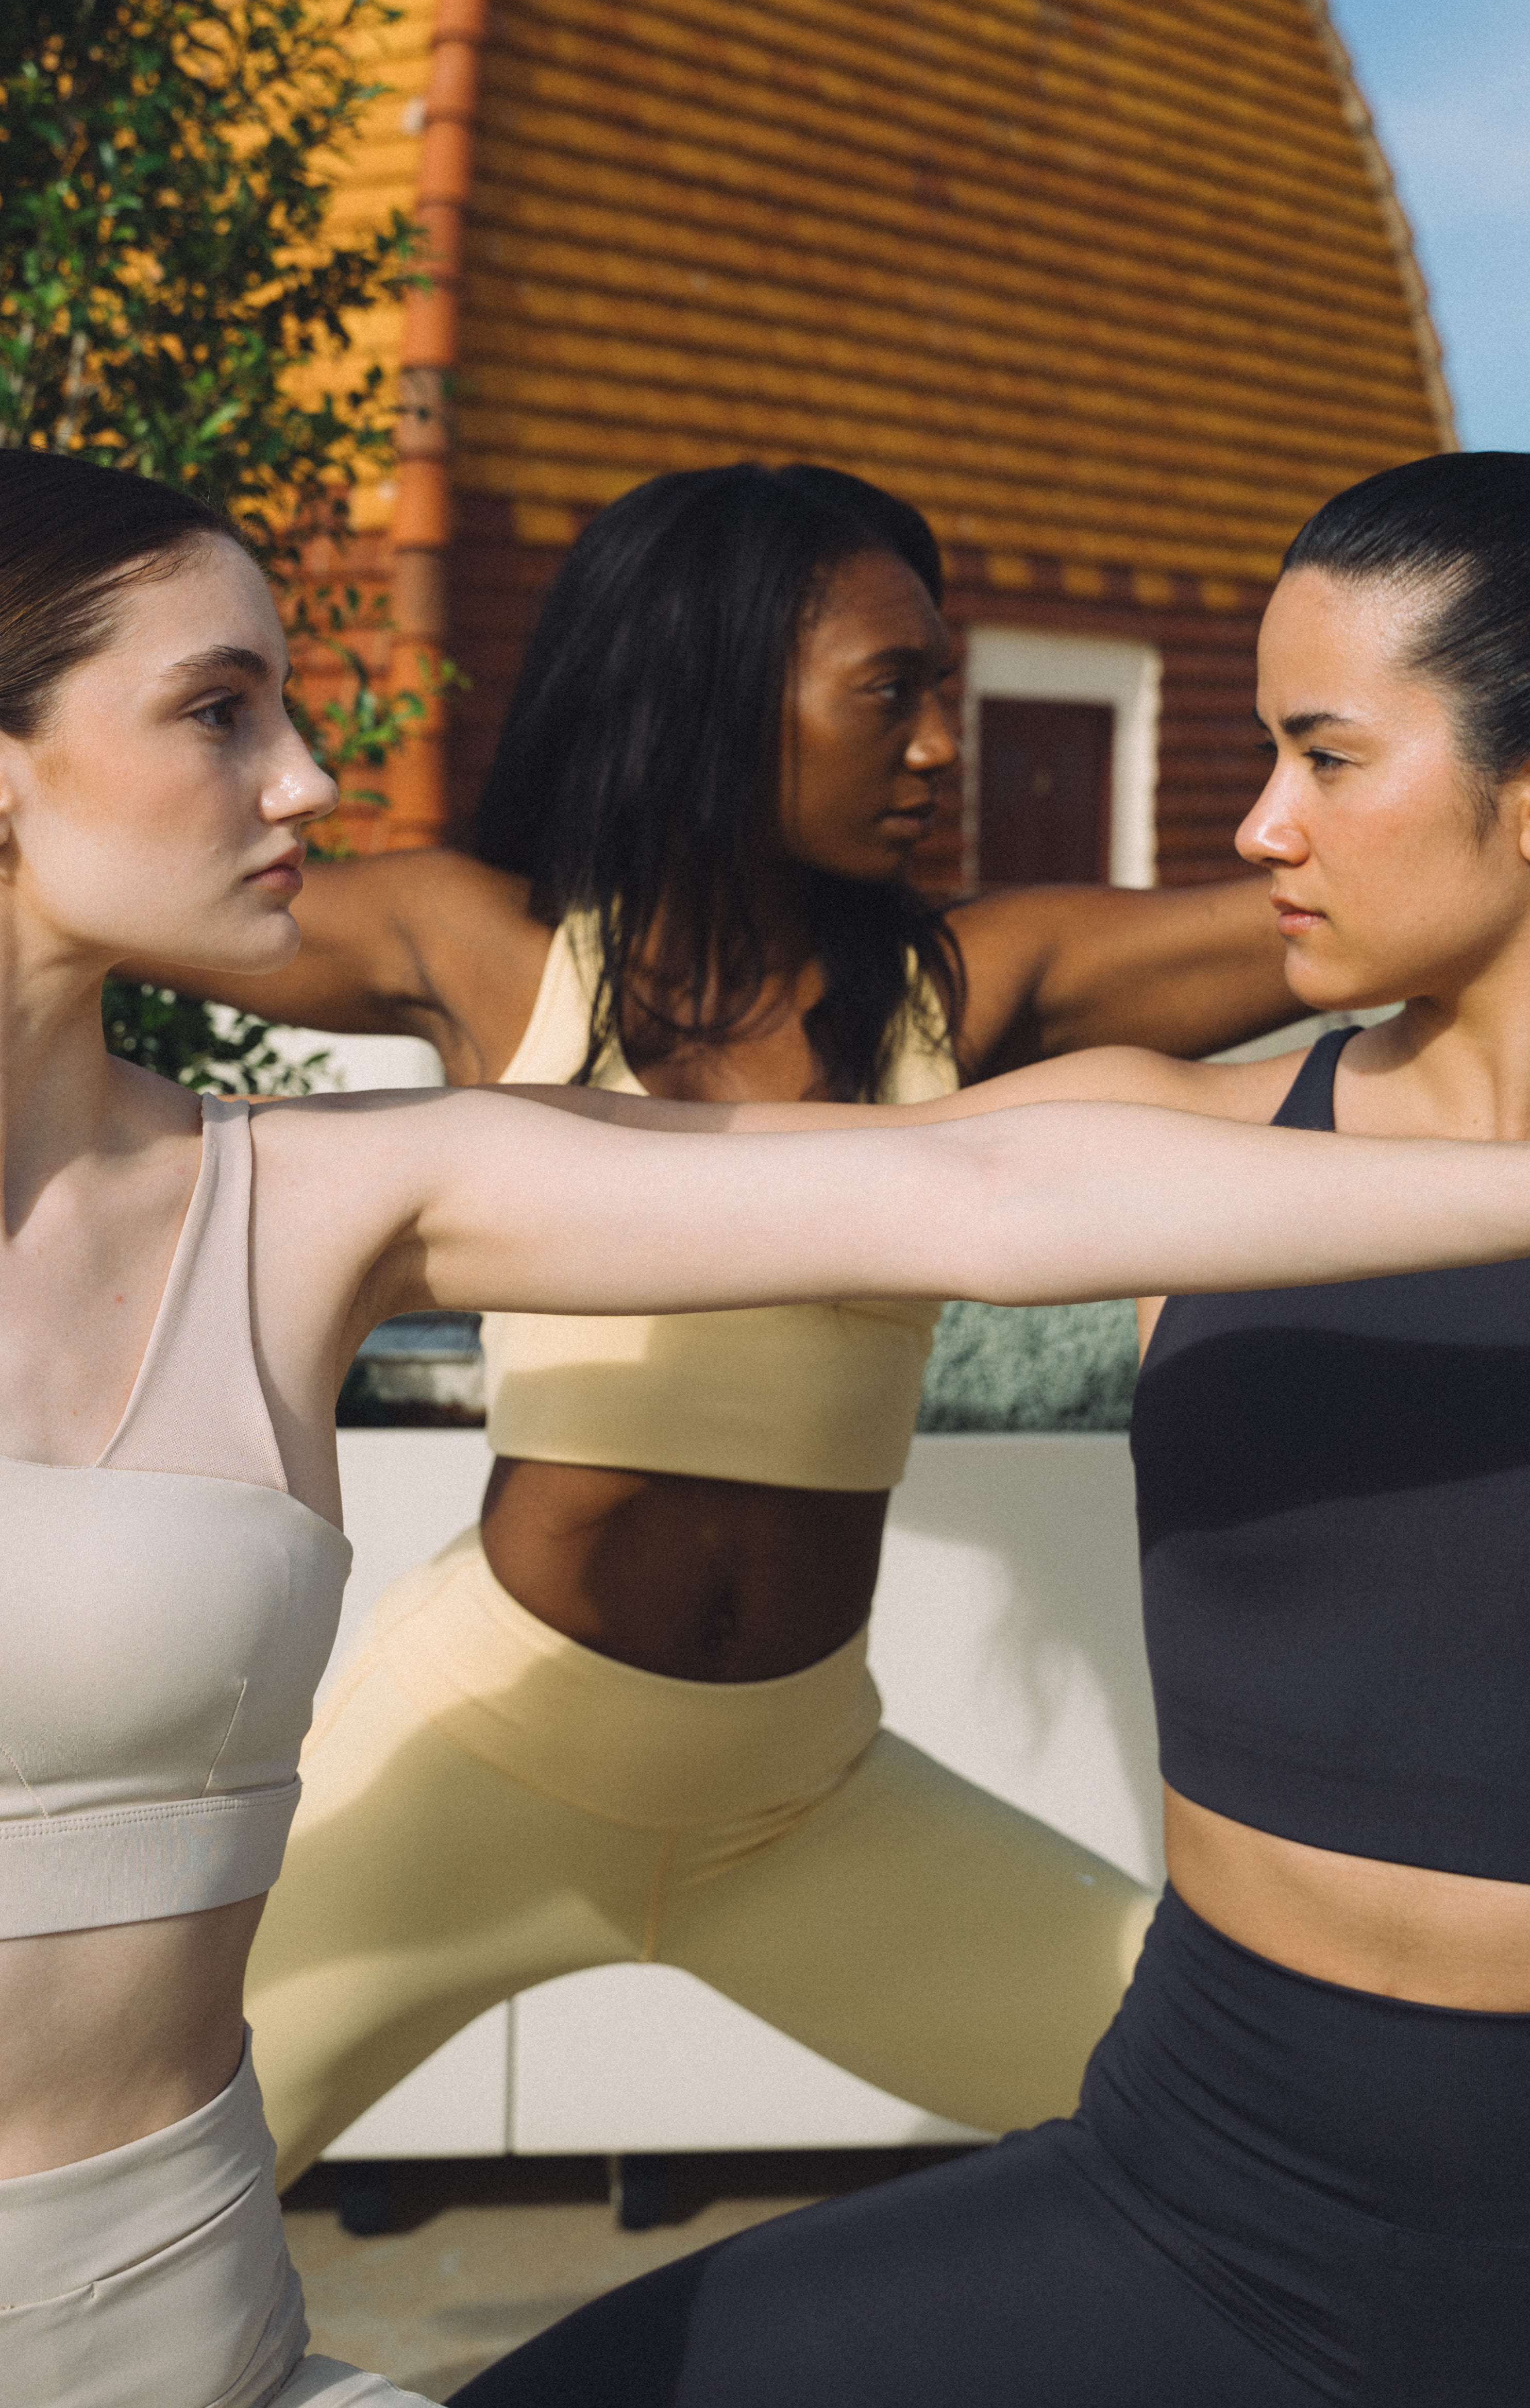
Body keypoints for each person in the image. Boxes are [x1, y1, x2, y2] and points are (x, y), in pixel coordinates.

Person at [451, 449, 1530, 2408]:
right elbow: (640, 1186)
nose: (1261, 825)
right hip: (1200, 2210)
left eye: (1325, 757)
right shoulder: (1177, 1147)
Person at [157, 462, 1305, 2177]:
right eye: (891, 691)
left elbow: (1346, 934)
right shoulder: (488, 950)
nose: (942, 743)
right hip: (477, 1758)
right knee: (115, 2209)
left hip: (804, 1801)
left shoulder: (967, 988)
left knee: (1266, 2130)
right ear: (713, 688)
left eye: (945, 688)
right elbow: (87, 899)